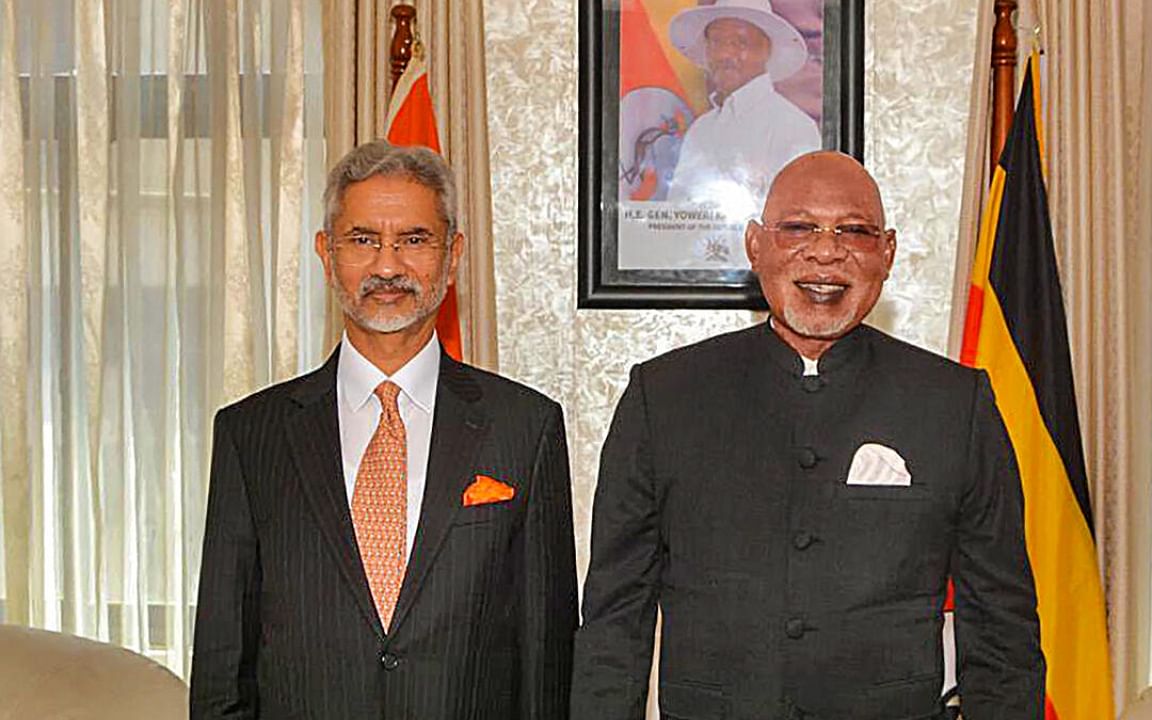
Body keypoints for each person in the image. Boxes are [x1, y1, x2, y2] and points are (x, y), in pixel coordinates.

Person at [571, 151, 1045, 719]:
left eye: (854, 231)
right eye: (798, 228)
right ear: (755, 245)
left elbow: (1001, 626)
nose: (825, 252)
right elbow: (614, 621)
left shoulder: (954, 404)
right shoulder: (663, 396)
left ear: (887, 253)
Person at [190, 140, 577, 720]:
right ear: (327, 254)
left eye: (415, 240)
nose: (388, 266)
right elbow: (224, 664)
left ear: (452, 257)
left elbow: (547, 662)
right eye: (364, 240)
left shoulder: (526, 428)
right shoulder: (252, 435)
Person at [666, 0, 822, 205]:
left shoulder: (794, 128)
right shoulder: (700, 130)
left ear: (766, 50)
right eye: (716, 42)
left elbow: (798, 220)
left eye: (739, 43)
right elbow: (675, 214)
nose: (724, 55)